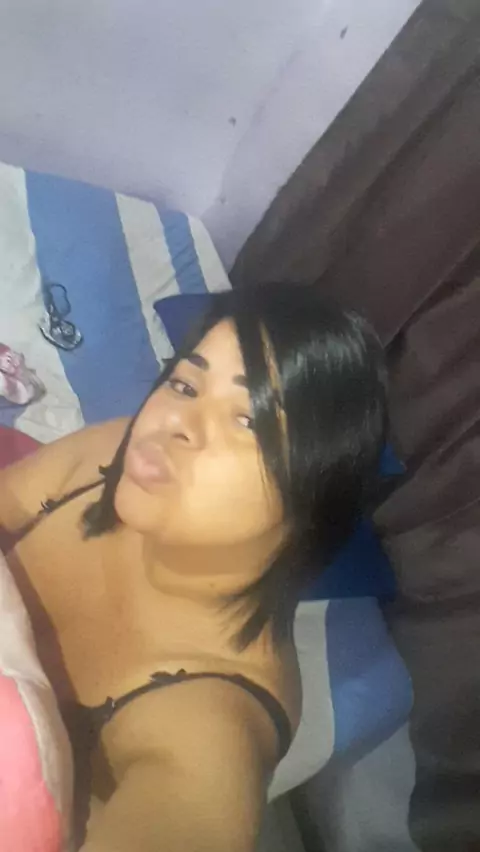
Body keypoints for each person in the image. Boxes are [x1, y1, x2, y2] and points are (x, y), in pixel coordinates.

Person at [0, 282, 387, 851]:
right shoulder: (111, 456)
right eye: (184, 384)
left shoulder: (209, 729)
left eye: (249, 419)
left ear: (313, 493)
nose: (176, 422)